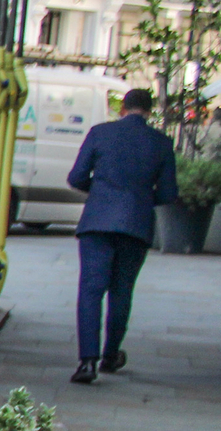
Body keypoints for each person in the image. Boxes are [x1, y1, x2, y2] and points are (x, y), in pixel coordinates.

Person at [66, 86, 178, 384]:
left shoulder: (99, 133)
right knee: (121, 290)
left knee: (91, 290)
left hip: (97, 222)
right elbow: (168, 193)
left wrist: (101, 193)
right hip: (136, 225)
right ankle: (111, 354)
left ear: (122, 108)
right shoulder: (162, 143)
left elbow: (76, 176)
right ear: (149, 111)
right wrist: (140, 199)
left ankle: (86, 361)